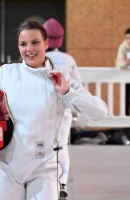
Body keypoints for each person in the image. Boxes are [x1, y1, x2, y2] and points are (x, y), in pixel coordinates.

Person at [0, 20, 108, 200]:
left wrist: (67, 92)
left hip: (44, 170)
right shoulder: (7, 73)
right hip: (5, 168)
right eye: (23, 44)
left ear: (46, 44)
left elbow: (100, 112)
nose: (29, 49)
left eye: (35, 42)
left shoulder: (60, 79)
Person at [44, 18, 82, 199]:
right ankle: (63, 183)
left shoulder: (38, 57)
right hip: (64, 109)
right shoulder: (69, 60)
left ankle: (45, 184)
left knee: (41, 146)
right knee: (62, 146)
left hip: (41, 111)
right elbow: (78, 86)